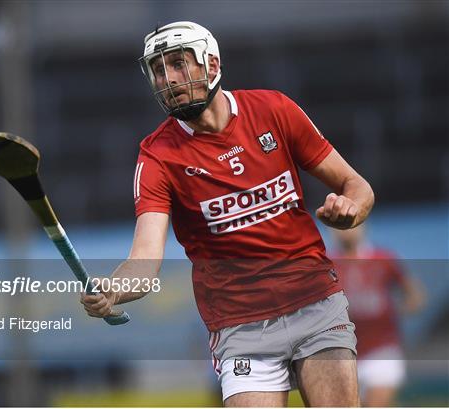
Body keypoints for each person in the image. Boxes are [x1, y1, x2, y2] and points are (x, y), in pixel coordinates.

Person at [81, 21, 375, 407]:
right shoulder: (157, 156)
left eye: (178, 63)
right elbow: (144, 259)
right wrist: (114, 288)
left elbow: (358, 187)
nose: (167, 79)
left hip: (315, 304)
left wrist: (350, 211)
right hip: (241, 327)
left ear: (212, 64)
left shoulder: (274, 110)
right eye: (158, 69)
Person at [332, 225, 425, 407]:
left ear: (363, 227)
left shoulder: (383, 259)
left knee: (377, 403)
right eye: (339, 226)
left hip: (382, 347)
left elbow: (413, 294)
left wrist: (403, 308)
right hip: (342, 351)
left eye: (351, 225)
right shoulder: (327, 264)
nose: (346, 231)